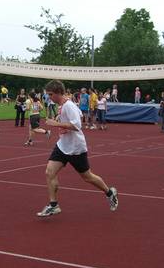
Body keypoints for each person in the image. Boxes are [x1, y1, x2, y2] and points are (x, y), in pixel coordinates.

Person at [37, 80, 118, 217]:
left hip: (76, 148)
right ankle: (53, 205)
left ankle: (109, 192)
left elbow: (77, 125)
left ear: (58, 93)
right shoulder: (64, 105)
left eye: (51, 94)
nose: (49, 97)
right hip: (63, 145)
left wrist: (56, 123)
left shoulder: (69, 105)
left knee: (87, 177)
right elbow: (80, 114)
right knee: (49, 172)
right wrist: (60, 118)